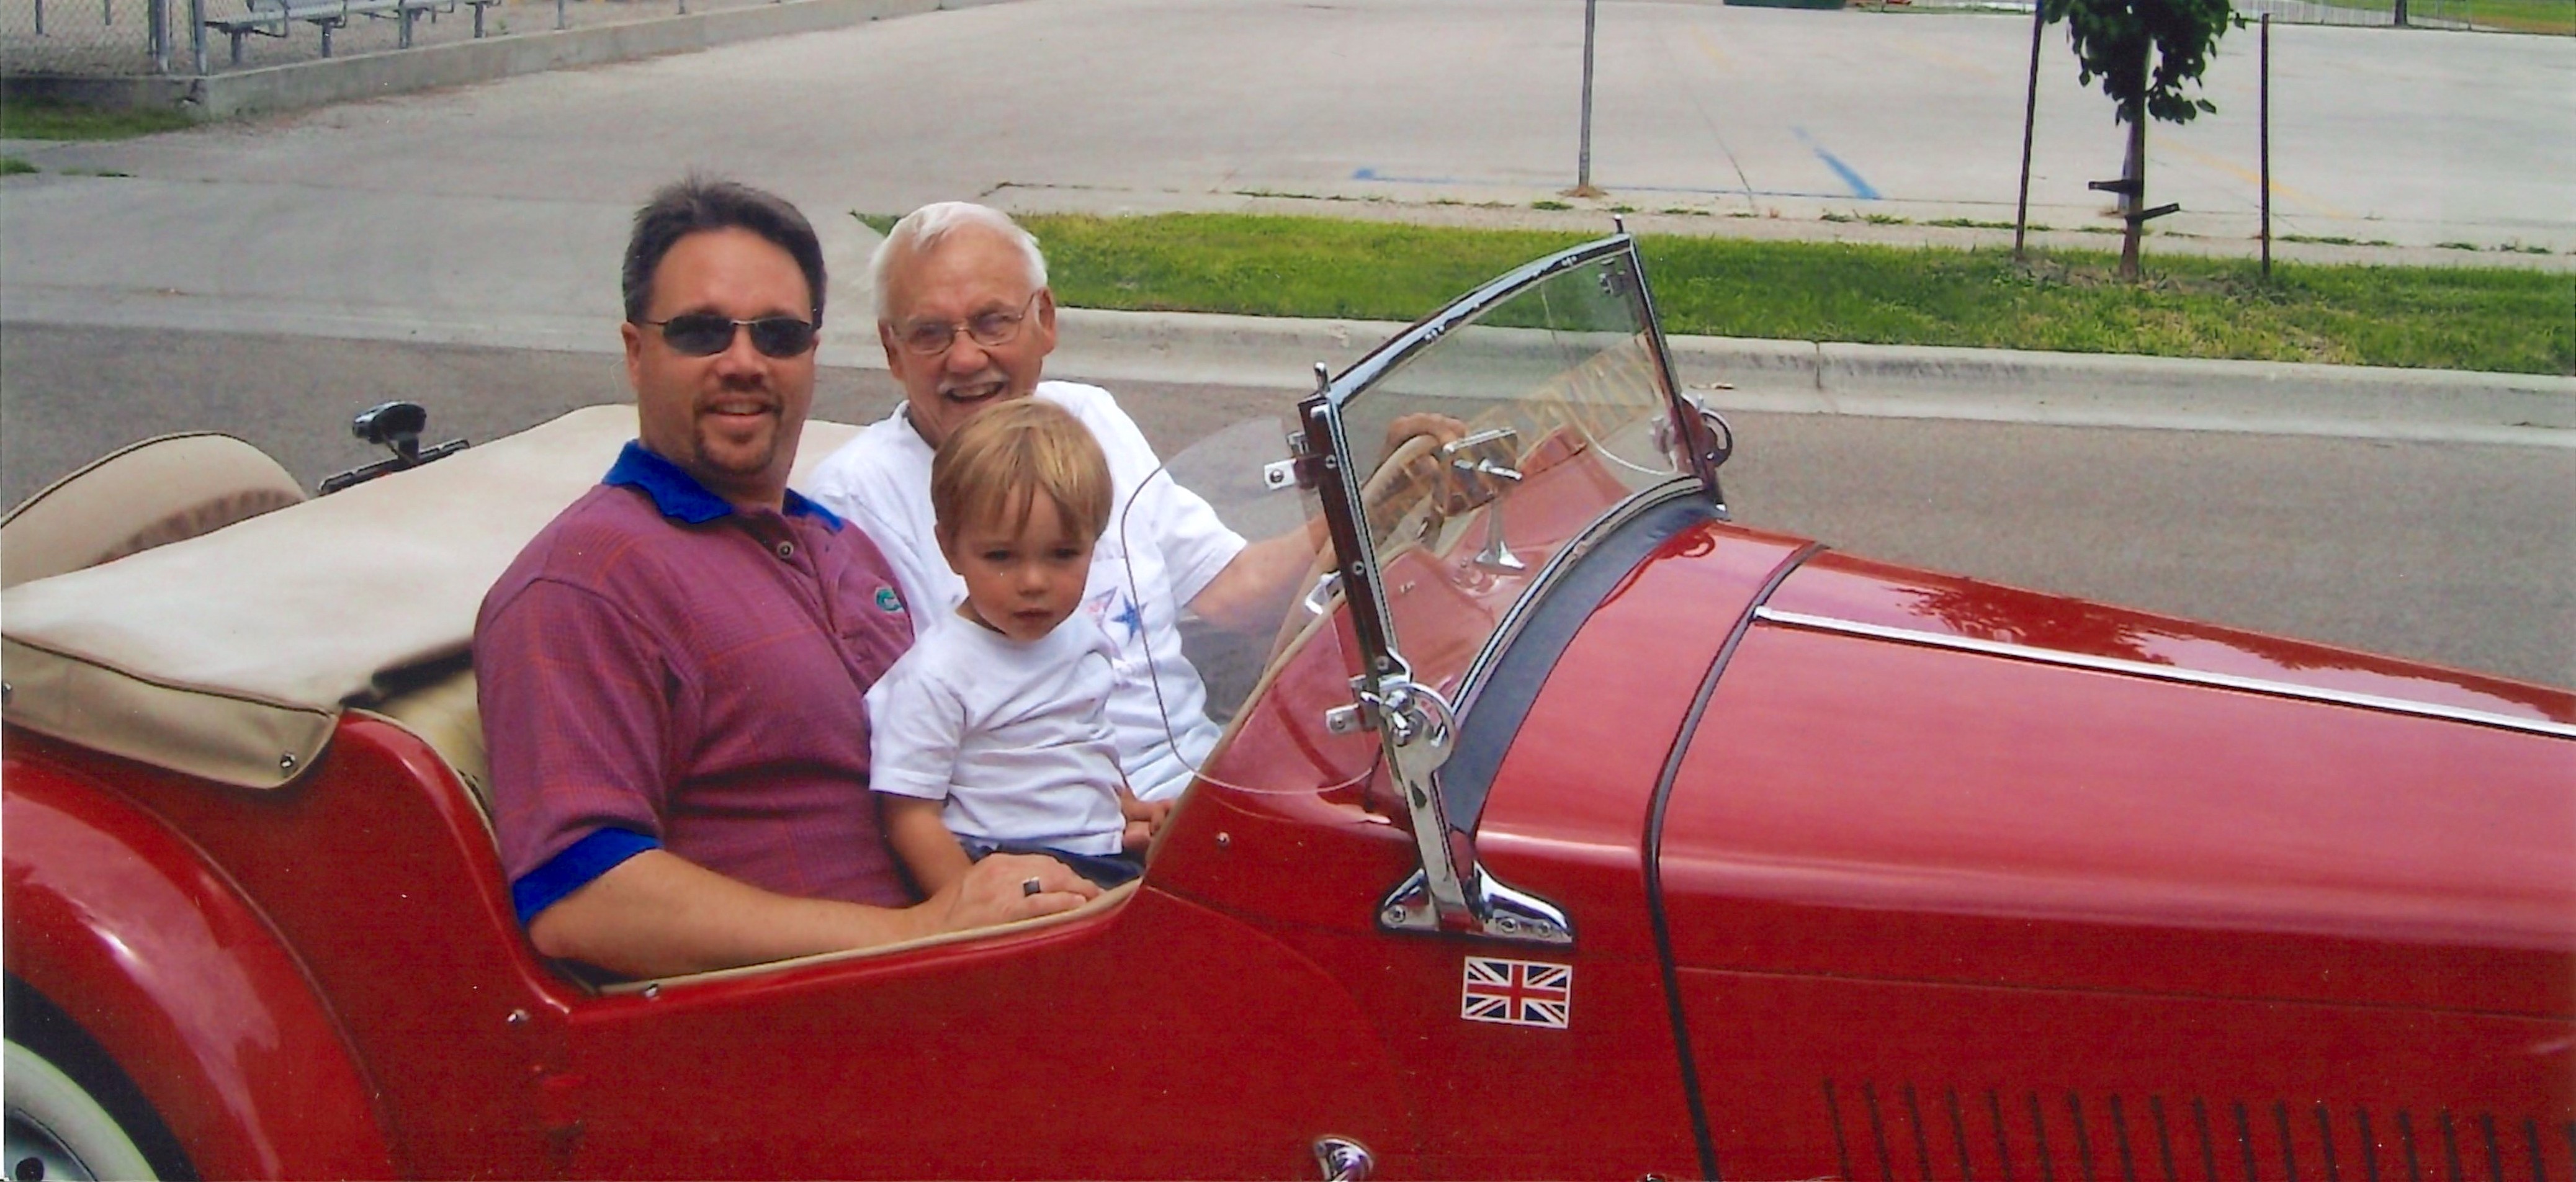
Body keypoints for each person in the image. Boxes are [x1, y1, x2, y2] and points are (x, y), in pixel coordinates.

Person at [475, 178, 1098, 982]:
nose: (742, 362)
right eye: (701, 332)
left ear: (810, 353)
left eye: (775, 334)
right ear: (637, 352)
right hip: (822, 1032)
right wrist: (920, 930)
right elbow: (584, 896)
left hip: (987, 964)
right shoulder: (582, 584)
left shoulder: (837, 544)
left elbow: (940, 759)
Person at [808, 203, 1327, 803]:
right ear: (891, 350)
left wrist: (1382, 504)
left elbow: (1233, 590)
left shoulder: (1091, 420)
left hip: (1206, 779)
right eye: (929, 334)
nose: (966, 358)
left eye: (992, 322)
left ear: (1045, 320)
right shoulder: (853, 500)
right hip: (1060, 835)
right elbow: (895, 756)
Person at [869, 400, 1164, 895]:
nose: (1032, 582)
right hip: (1001, 862)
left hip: (1099, 854)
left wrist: (1128, 807)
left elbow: (1084, 744)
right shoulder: (940, 672)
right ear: (950, 548)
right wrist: (965, 908)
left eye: (1063, 554)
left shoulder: (1082, 639)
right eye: (1001, 556)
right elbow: (909, 812)